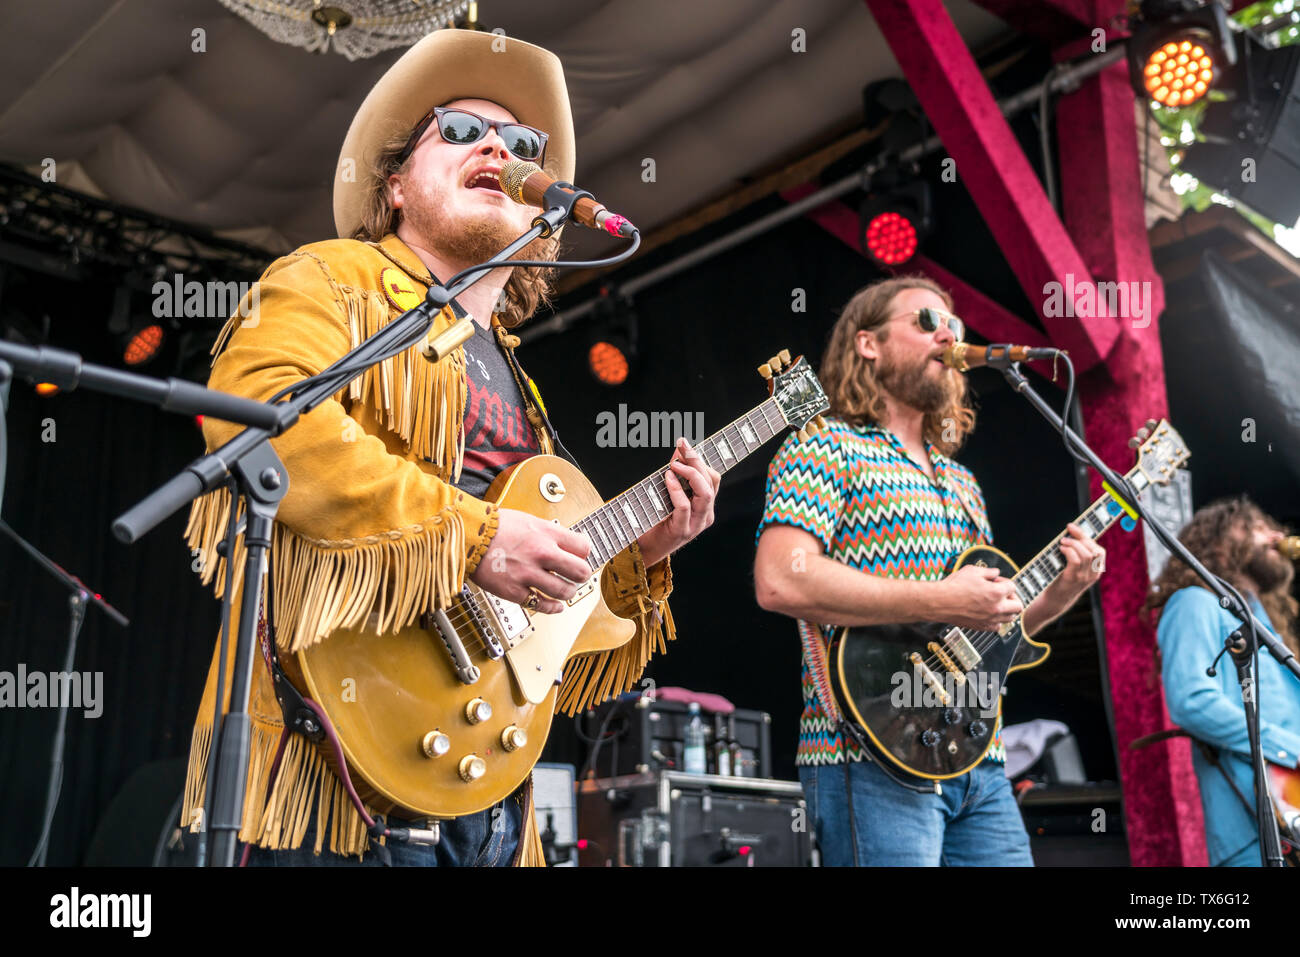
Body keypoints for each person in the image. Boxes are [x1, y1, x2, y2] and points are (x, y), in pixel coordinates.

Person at [178, 29, 719, 866]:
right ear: (395, 185)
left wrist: (636, 558)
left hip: (490, 800)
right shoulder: (328, 281)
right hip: (330, 770)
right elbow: (260, 420)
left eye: (524, 146)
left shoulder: (519, 380)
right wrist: (478, 537)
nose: (501, 148)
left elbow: (539, 625)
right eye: (461, 132)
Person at [753, 276, 1104, 866]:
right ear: (867, 344)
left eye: (955, 328)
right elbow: (780, 580)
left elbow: (992, 635)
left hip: (980, 764)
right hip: (867, 755)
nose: (947, 335)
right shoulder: (825, 446)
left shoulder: (963, 483)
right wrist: (942, 598)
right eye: (925, 322)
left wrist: (1064, 589)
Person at [1144, 497, 1300, 866]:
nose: (1275, 534)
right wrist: (1293, 749)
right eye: (1255, 527)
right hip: (1256, 827)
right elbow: (1192, 700)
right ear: (1216, 541)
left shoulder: (1266, 617)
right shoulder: (1194, 602)